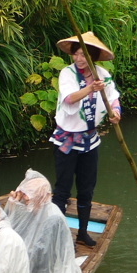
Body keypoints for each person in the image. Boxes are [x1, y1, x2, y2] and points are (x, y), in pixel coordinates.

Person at [50, 31, 121, 247]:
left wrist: (116, 112)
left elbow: (113, 97)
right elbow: (70, 98)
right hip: (67, 139)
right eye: (76, 54)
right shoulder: (68, 74)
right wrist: (90, 88)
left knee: (86, 188)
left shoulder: (102, 75)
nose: (79, 59)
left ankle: (82, 232)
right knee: (62, 188)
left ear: (92, 57)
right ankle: (56, 235)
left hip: (90, 139)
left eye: (83, 55)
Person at [5, 169, 83, 273]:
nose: (26, 198)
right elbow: (10, 228)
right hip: (28, 260)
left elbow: (43, 254)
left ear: (41, 196)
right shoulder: (30, 209)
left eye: (29, 195)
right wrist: (13, 206)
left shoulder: (53, 218)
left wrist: (21, 262)